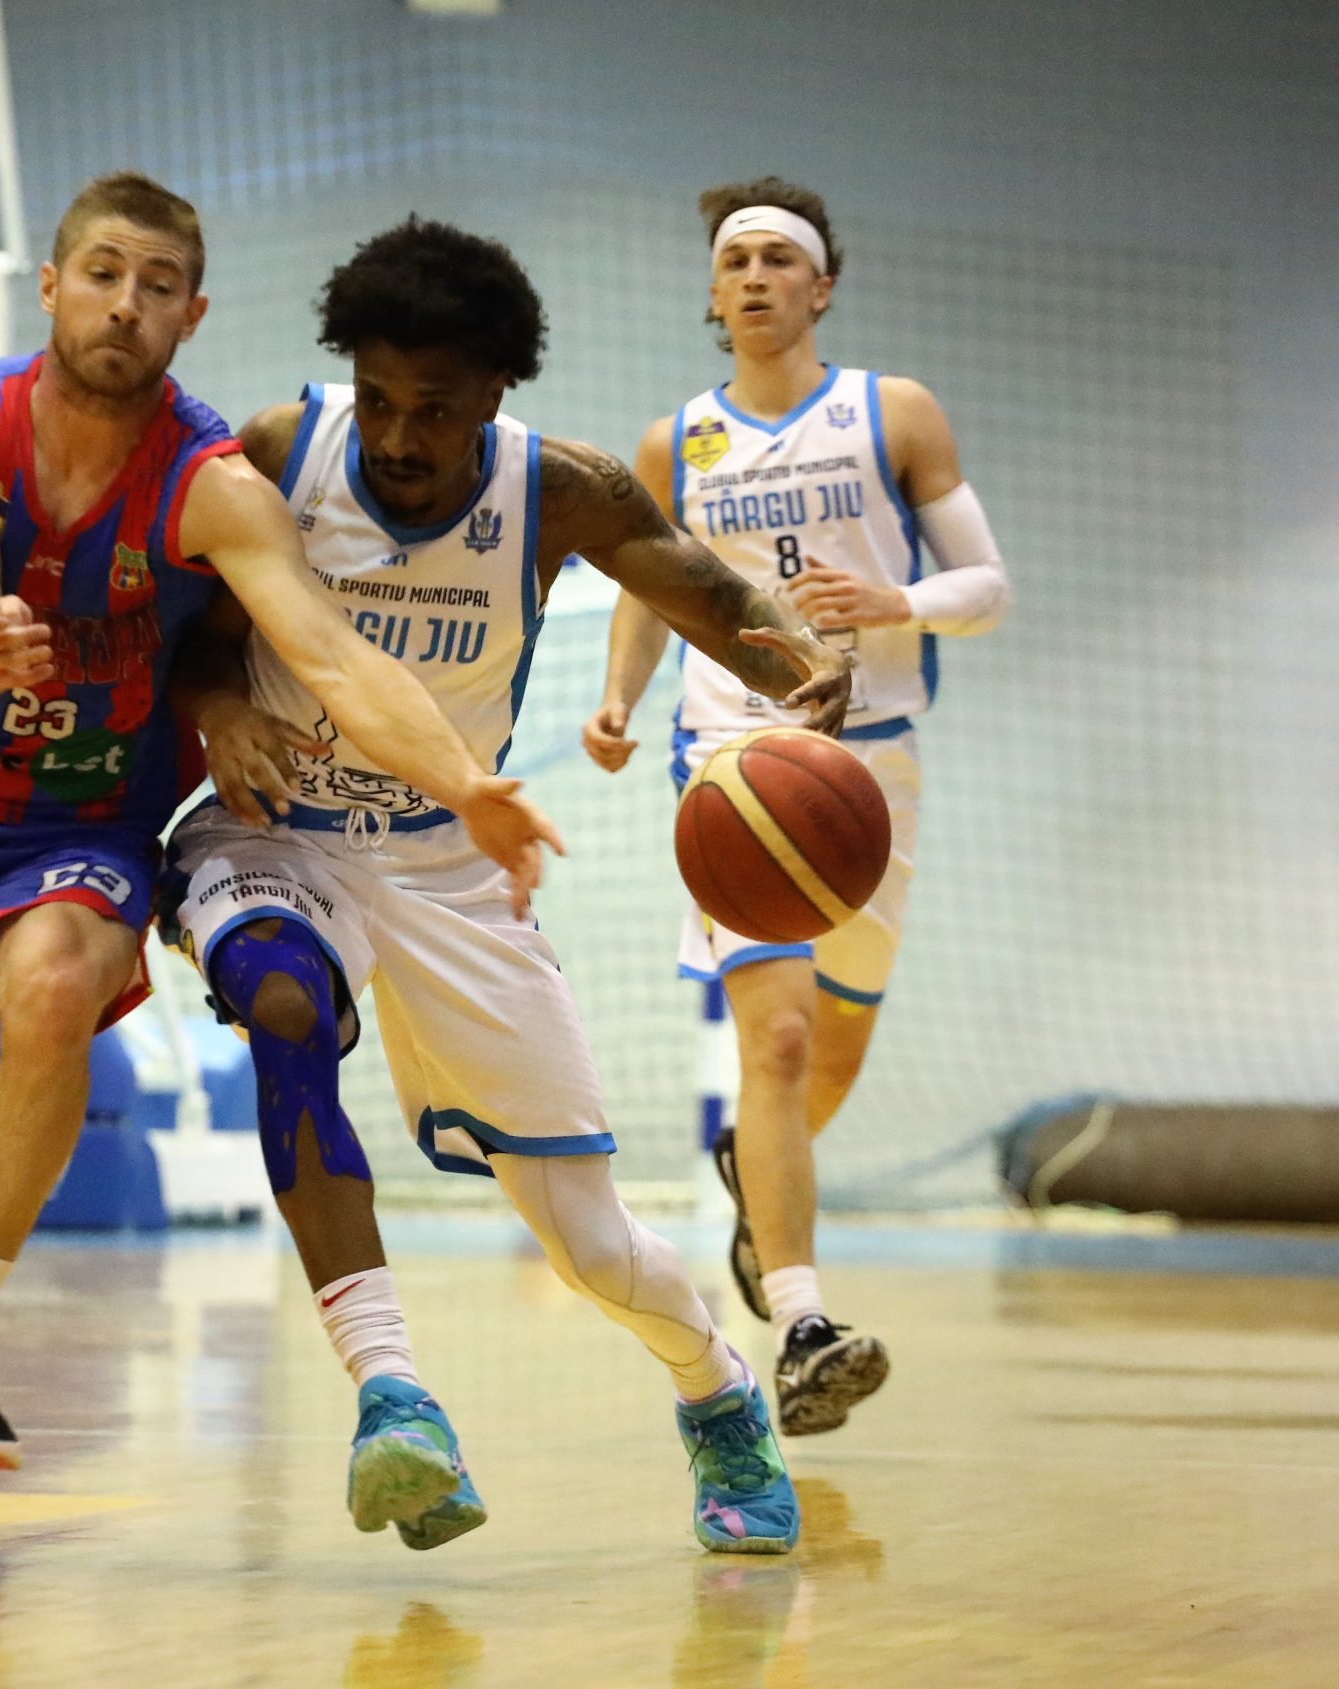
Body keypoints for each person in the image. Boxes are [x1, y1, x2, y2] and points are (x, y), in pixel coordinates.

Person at [0, 175, 561, 1550]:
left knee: (56, 991)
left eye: (156, 286)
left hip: (76, 821)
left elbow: (331, 657)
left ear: (191, 315)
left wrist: (467, 783)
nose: (124, 305)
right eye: (101, 273)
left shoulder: (213, 486)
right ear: (52, 285)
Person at [163, 217, 852, 1555]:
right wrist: (219, 709)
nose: (397, 435)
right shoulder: (281, 451)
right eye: (377, 398)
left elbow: (708, 593)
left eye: (433, 407)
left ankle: (716, 1392)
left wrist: (801, 662)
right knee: (281, 1002)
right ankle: (394, 1396)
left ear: (495, 392)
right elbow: (188, 639)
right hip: (280, 838)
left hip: (453, 872)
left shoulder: (561, 488)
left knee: (592, 1249)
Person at [583, 176, 1011, 1436]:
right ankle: (803, 1324)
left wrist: (897, 603)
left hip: (871, 769)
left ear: (820, 287)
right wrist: (616, 699)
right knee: (770, 1043)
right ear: (714, 295)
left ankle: (752, 1175)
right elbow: (646, 587)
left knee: (831, 1058)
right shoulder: (672, 445)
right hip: (735, 759)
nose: (756, 277)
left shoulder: (893, 412)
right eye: (737, 262)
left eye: (779, 259)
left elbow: (986, 585)